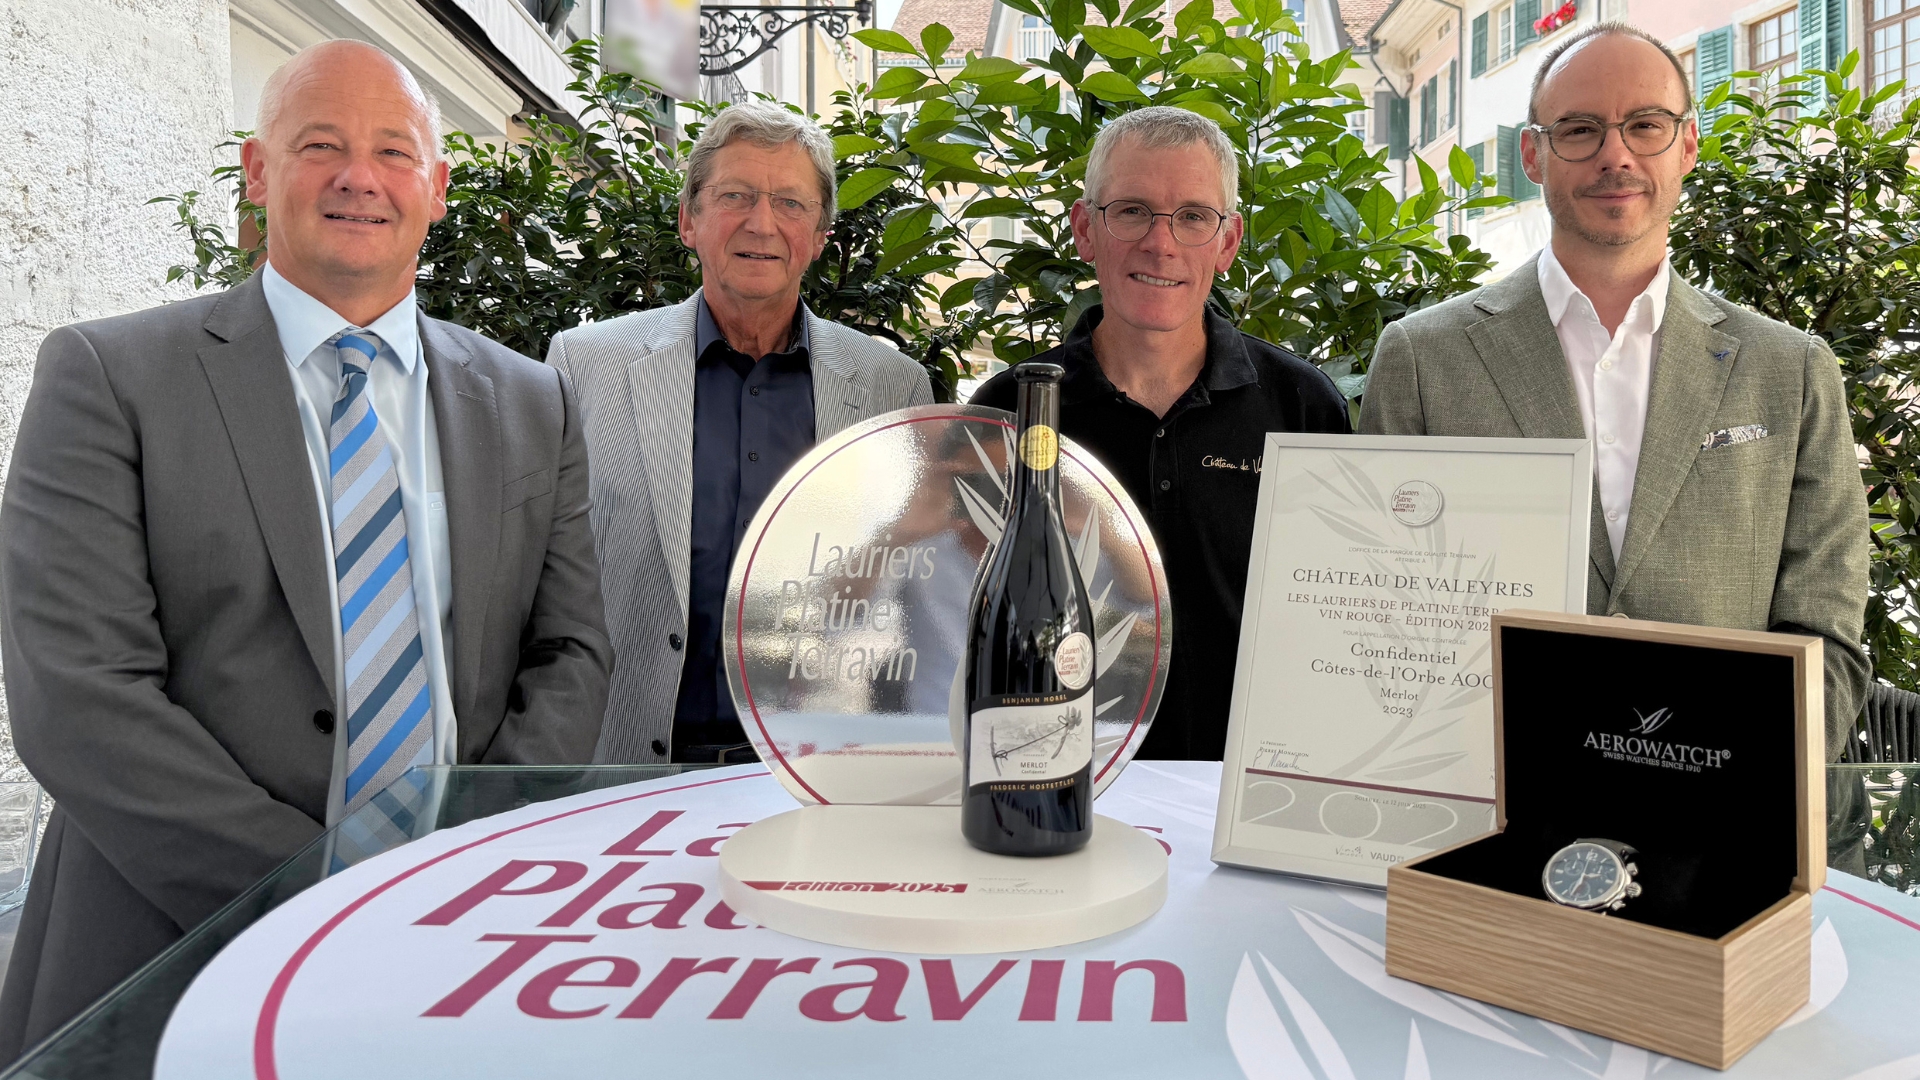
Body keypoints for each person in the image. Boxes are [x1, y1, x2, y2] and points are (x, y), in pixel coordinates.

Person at [0, 40, 612, 1055]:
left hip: (456, 942)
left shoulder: (530, 400)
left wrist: (473, 866)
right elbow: (78, 696)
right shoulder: (110, 377)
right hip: (169, 951)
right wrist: (331, 893)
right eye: (320, 144)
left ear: (438, 188)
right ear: (257, 171)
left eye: (394, 151)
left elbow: (571, 653)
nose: (359, 177)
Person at [1359, 23, 1869, 755]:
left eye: (1645, 126)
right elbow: (1385, 616)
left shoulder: (1789, 370)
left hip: (1721, 795)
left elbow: (1826, 632)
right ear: (1532, 155)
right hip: (1491, 783)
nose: (1616, 155)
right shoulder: (1422, 359)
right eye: (1580, 129)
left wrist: (1742, 777)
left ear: (1687, 145)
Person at [548, 102, 932, 765]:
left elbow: (912, 600)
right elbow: (543, 588)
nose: (762, 223)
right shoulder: (586, 366)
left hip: (822, 769)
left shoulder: (891, 388)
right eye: (735, 196)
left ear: (820, 235)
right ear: (688, 220)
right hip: (627, 770)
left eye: (790, 203)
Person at [970, 107, 1351, 761]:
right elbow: (966, 618)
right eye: (1132, 211)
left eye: (1193, 217)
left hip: (1250, 782)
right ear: (1085, 229)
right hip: (1057, 777)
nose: (1161, 243)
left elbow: (1339, 622)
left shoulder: (1302, 407)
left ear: (1227, 243)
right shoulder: (1011, 411)